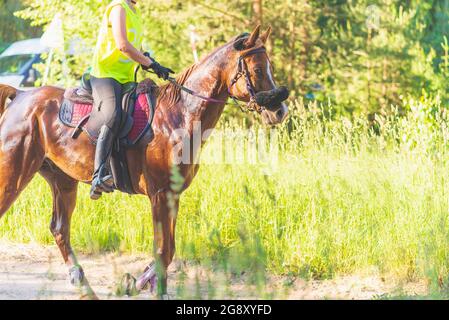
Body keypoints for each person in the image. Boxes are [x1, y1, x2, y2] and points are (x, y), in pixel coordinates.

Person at [89, 0, 173, 200]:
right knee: (113, 115)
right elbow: (123, 45)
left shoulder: (135, 12)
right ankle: (98, 176)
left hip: (126, 78)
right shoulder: (118, 7)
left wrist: (153, 63)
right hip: (106, 74)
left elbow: (137, 48)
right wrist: (149, 62)